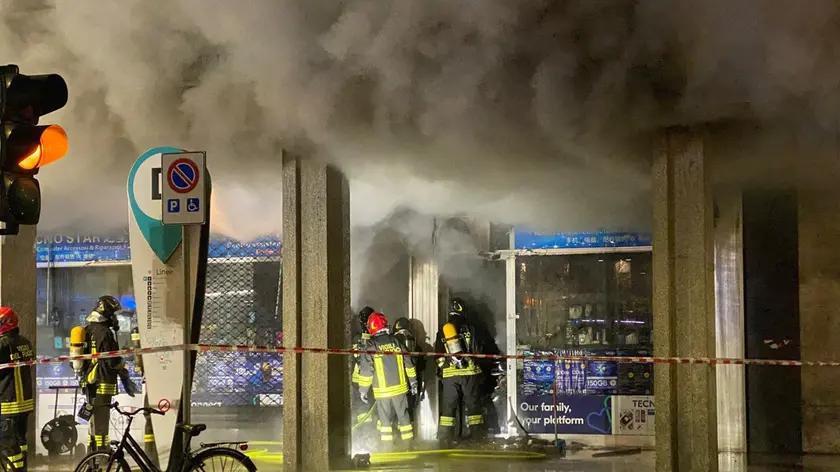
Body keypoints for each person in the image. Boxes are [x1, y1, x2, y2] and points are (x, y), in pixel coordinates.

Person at [434, 297, 496, 445]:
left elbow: (438, 353)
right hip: (469, 373)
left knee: (448, 409)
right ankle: (477, 437)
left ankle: (444, 439)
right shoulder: (472, 328)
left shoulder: (444, 329)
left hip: (450, 375)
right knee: (473, 406)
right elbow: (480, 349)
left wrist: (443, 368)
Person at [80, 295, 138, 452]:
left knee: (93, 419)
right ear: (105, 313)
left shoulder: (88, 330)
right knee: (101, 421)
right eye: (112, 314)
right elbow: (111, 361)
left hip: (89, 381)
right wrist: (123, 370)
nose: (114, 318)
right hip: (102, 381)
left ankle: (93, 453)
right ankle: (102, 453)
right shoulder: (105, 333)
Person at [357, 312, 418, 452]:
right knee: (404, 417)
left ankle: (386, 448)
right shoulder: (397, 341)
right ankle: (408, 446)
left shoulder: (371, 344)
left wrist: (363, 390)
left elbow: (367, 370)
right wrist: (413, 382)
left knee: (385, 421)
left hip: (382, 391)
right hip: (400, 389)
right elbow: (408, 362)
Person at [0, 307, 34, 471]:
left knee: (9, 445)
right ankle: (23, 468)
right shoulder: (25, 342)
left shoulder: (3, 344)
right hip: (24, 403)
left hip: (8, 402)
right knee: (21, 442)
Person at [392, 317, 425, 421]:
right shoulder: (416, 347)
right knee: (408, 413)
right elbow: (420, 367)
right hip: (411, 385)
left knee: (392, 414)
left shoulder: (389, 345)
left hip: (393, 385)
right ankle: (409, 435)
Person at [351, 307, 376, 434]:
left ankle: (365, 434)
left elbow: (352, 360)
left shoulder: (356, 339)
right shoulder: (376, 339)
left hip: (358, 379)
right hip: (375, 379)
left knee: (362, 407)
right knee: (373, 406)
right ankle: (370, 433)